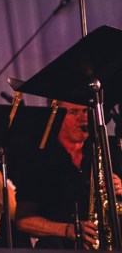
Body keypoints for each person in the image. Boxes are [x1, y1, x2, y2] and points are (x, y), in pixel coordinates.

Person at [13, 101, 122, 248]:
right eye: (73, 112)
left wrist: (120, 189)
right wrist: (68, 230)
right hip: (59, 246)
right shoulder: (39, 159)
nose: (83, 118)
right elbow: (23, 220)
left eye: (85, 111)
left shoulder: (107, 150)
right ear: (56, 115)